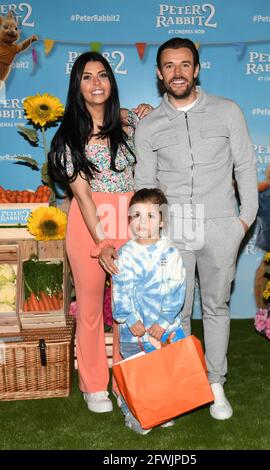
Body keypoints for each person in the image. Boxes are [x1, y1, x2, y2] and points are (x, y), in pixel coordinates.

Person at [134, 38, 258, 420]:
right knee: (176, 310)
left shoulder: (227, 112)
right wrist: (152, 235)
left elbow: (246, 166)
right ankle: (182, 387)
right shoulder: (149, 125)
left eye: (185, 64)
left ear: (197, 69)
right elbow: (144, 183)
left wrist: (243, 220)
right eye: (169, 66)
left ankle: (215, 383)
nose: (177, 73)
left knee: (216, 306)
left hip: (222, 222)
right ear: (158, 74)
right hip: (175, 228)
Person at [48, 51, 153, 413]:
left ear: (112, 81)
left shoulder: (129, 126)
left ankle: (129, 381)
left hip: (130, 220)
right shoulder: (66, 138)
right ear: (77, 85)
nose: (96, 83)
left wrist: (147, 114)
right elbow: (84, 197)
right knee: (91, 308)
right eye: (87, 76)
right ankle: (95, 385)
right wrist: (103, 243)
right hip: (89, 224)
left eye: (103, 75)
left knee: (129, 309)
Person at [112, 188, 186, 435]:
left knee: (163, 373)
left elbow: (177, 289)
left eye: (151, 216)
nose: (143, 222)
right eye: (136, 215)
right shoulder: (125, 253)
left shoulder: (171, 253)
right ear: (129, 219)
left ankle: (162, 409)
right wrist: (129, 319)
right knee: (138, 376)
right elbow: (120, 290)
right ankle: (131, 411)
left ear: (163, 220)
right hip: (133, 333)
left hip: (164, 331)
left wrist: (164, 322)